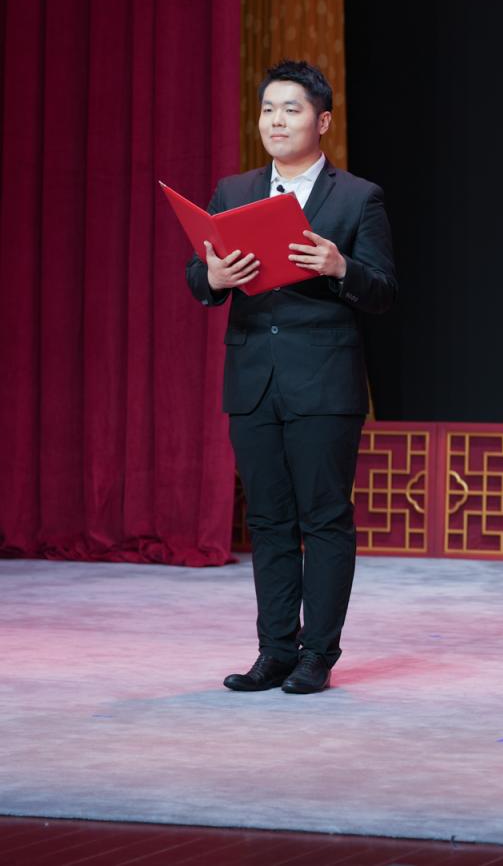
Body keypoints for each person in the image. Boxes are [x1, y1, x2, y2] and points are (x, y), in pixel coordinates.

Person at [187, 59, 397, 695]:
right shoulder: (234, 190)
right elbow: (200, 277)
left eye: (292, 109)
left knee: (324, 518)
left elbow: (383, 291)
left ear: (322, 121)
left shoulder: (357, 197)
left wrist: (340, 267)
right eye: (268, 110)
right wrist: (211, 279)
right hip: (253, 377)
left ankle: (317, 655)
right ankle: (274, 650)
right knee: (269, 521)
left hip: (324, 381)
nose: (276, 121)